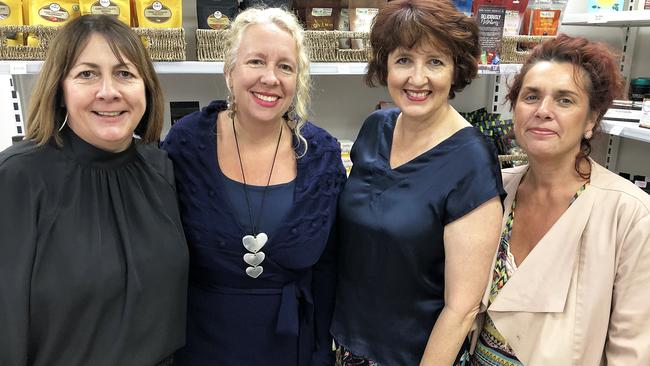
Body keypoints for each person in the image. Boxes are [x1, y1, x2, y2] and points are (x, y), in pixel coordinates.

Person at [161, 7, 346, 366]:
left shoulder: (322, 155)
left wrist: (322, 350)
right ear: (230, 71)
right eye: (256, 61)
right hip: (201, 343)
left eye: (285, 67)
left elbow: (329, 267)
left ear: (298, 79)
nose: (270, 78)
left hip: (291, 345)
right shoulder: (187, 144)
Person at [0, 15, 189, 366]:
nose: (108, 91)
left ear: (145, 88)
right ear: (60, 89)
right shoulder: (18, 178)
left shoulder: (160, 169)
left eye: (124, 73)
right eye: (87, 74)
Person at [330, 1, 505, 365]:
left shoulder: (471, 158)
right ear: (386, 64)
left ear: (456, 69)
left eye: (435, 62)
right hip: (349, 343)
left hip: (416, 356)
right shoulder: (375, 128)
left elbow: (462, 308)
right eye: (404, 59)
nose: (418, 78)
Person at [469, 34, 650, 366]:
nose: (543, 111)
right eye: (531, 96)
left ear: (592, 120)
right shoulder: (496, 188)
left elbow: (633, 351)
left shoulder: (630, 213)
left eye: (565, 100)